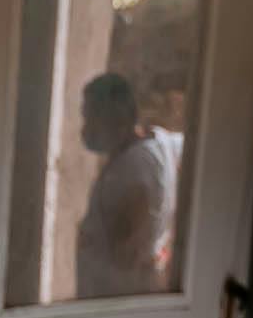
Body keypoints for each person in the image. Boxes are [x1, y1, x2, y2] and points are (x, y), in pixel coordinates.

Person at [72, 72, 182, 301]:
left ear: (114, 119)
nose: (85, 130)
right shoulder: (163, 143)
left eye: (91, 119)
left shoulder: (129, 174)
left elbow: (126, 253)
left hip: (119, 304)